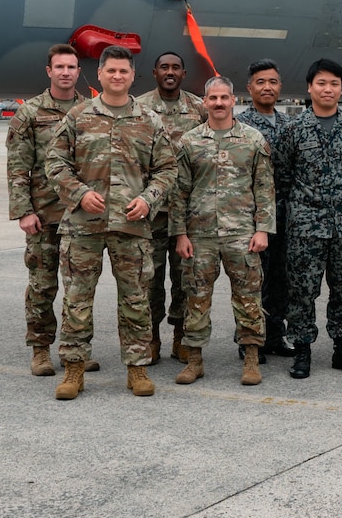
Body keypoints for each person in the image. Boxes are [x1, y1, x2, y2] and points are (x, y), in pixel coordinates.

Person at [42, 45, 178, 400]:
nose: (117, 76)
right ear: (100, 74)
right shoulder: (79, 116)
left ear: (132, 76)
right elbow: (54, 163)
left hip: (131, 225)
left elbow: (167, 169)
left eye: (123, 71)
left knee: (136, 298)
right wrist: (78, 193)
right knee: (77, 299)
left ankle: (137, 369)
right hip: (83, 225)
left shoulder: (149, 120)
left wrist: (148, 199)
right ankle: (74, 369)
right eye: (111, 71)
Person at [170, 76, 273, 387]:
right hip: (199, 235)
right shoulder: (189, 142)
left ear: (233, 101)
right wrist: (180, 233)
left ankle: (251, 357)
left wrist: (263, 229)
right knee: (195, 298)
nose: (218, 103)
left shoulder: (253, 140)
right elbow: (179, 191)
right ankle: (195, 360)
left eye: (224, 98)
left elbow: (264, 188)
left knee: (248, 297)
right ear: (205, 102)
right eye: (212, 98)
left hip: (242, 234)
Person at [276, 58, 342, 379]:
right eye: (321, 83)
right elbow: (282, 175)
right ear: (310, 87)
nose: (328, 89)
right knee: (302, 291)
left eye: (334, 84)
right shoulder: (293, 129)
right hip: (305, 226)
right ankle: (302, 350)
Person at [6, 43, 87, 378]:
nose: (65, 72)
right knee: (42, 285)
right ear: (49, 71)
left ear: (79, 72)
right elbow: (17, 166)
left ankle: (74, 350)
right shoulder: (30, 113)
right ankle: (40, 349)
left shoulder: (89, 110)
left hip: (81, 215)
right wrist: (23, 211)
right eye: (60, 67)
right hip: (43, 216)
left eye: (71, 67)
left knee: (79, 287)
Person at [137, 50, 209, 363]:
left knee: (185, 279)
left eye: (176, 67)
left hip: (188, 212)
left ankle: (181, 337)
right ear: (154, 73)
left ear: (183, 74)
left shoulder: (199, 108)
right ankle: (151, 338)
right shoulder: (139, 107)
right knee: (149, 279)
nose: (170, 72)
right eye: (164, 67)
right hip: (150, 212)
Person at [236, 59, 294, 358]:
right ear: (249, 88)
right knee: (252, 278)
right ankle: (249, 340)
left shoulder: (290, 125)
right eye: (260, 82)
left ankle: (275, 335)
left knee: (281, 278)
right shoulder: (240, 126)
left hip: (285, 213)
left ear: (280, 86)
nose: (267, 87)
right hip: (252, 213)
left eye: (272, 82)